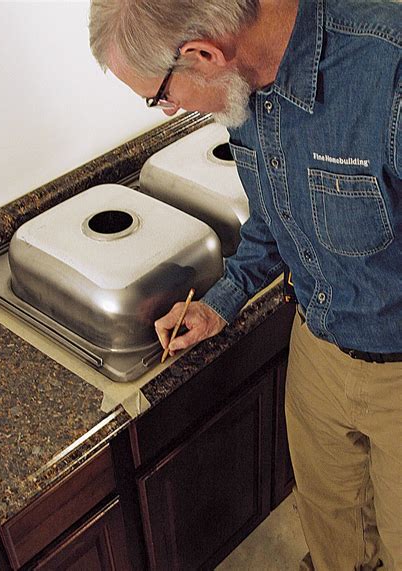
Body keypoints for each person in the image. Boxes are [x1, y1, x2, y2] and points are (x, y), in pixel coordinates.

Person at [89, 1, 402, 569]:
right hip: (316, 351)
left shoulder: (389, 69)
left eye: (159, 96)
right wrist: (223, 302)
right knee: (332, 528)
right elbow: (274, 217)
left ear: (204, 54)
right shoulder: (246, 84)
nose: (166, 112)